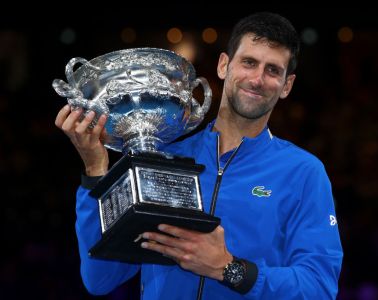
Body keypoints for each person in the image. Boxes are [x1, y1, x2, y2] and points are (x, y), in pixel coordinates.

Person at [55, 12, 343, 299]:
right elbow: (101, 278)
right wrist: (95, 169)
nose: (258, 79)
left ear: (287, 86)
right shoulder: (164, 157)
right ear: (223, 65)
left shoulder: (304, 172)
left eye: (273, 70)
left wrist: (229, 269)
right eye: (249, 62)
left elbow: (319, 288)